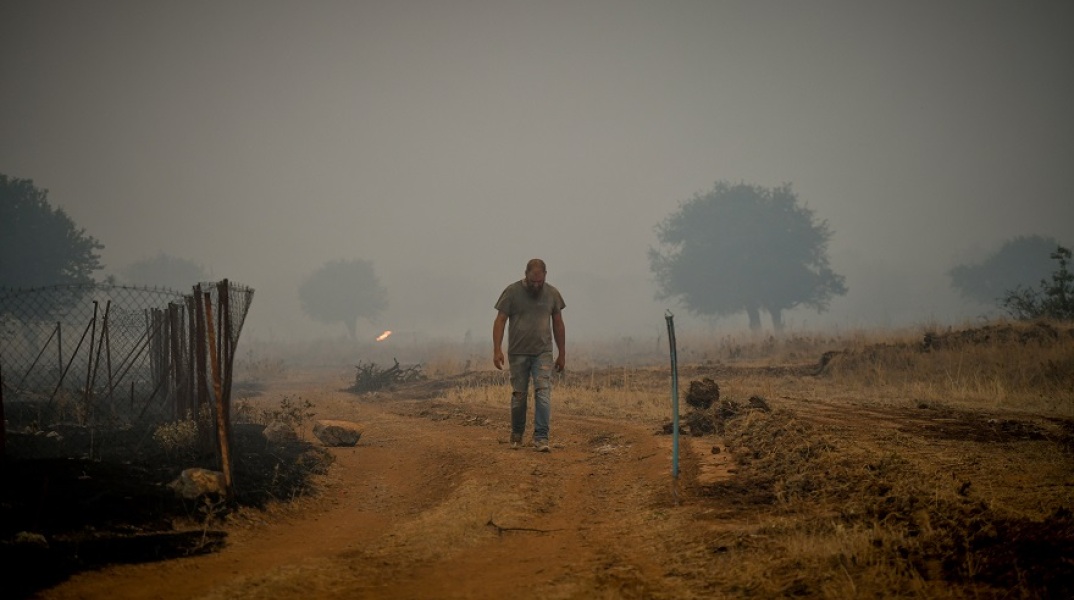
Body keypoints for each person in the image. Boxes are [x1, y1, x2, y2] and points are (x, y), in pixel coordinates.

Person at [493, 258, 566, 452]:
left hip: (543, 352)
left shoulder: (552, 294)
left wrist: (562, 354)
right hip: (518, 353)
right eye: (533, 281)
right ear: (525, 274)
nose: (536, 285)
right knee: (519, 396)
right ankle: (517, 435)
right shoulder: (512, 292)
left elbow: (558, 323)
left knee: (543, 393)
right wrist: (497, 349)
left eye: (539, 281)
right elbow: (500, 320)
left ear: (545, 277)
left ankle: (541, 438)